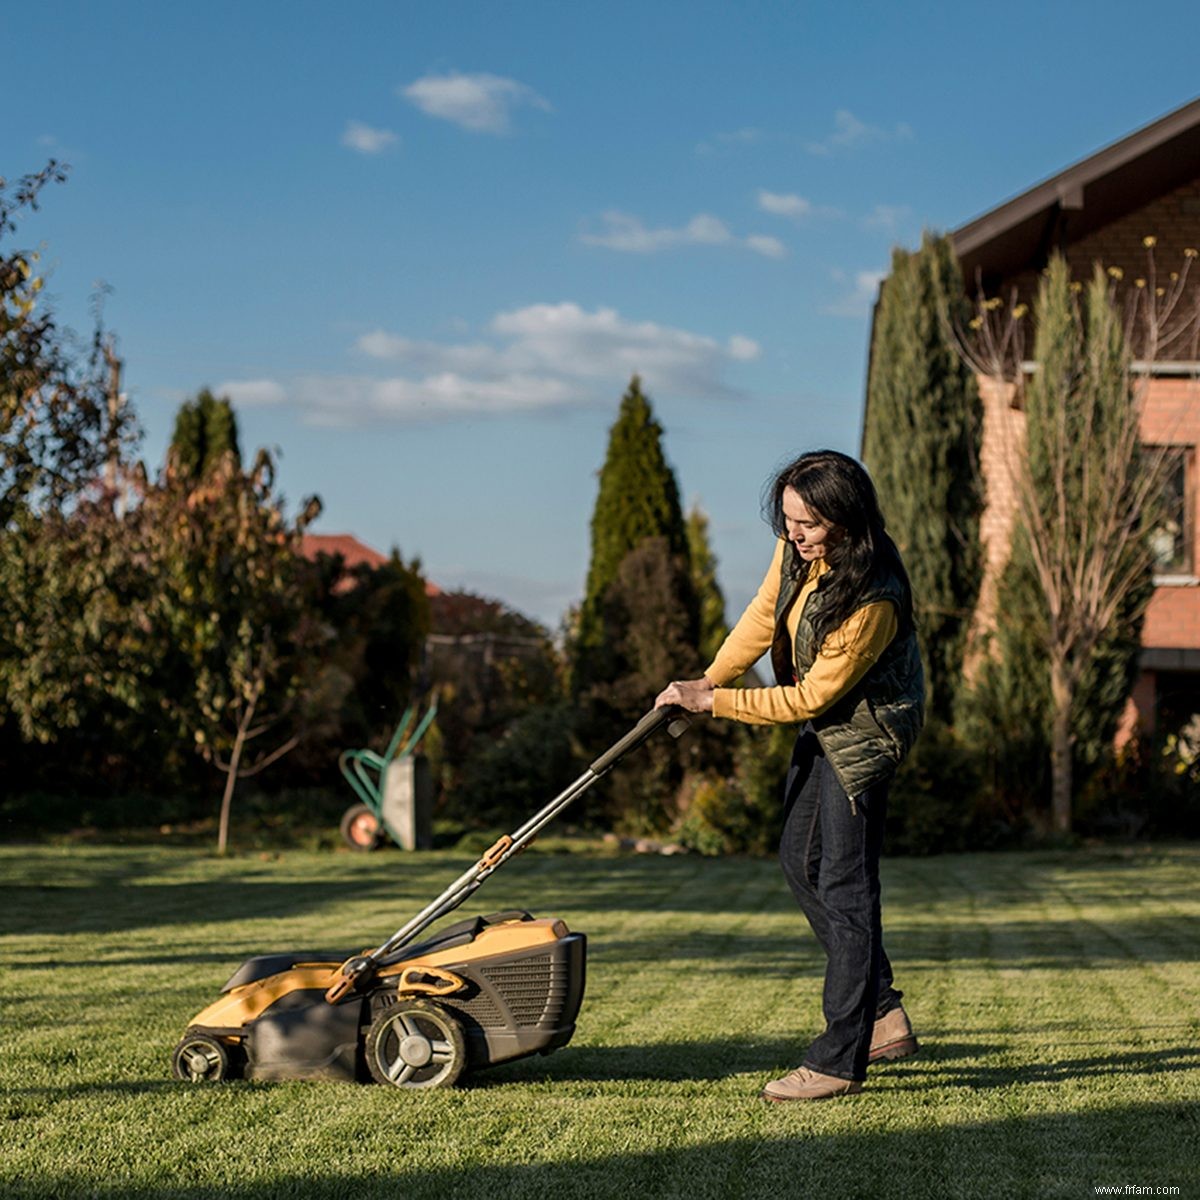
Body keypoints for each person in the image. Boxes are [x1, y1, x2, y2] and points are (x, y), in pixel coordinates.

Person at [655, 449, 924, 1102]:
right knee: (798, 862)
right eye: (786, 521)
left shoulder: (873, 598)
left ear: (843, 518)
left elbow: (807, 701)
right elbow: (761, 612)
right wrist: (708, 678)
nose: (793, 535)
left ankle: (838, 1059)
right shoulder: (798, 552)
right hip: (824, 722)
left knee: (845, 884)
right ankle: (882, 1011)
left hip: (861, 737)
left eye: (806, 524)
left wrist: (713, 705)